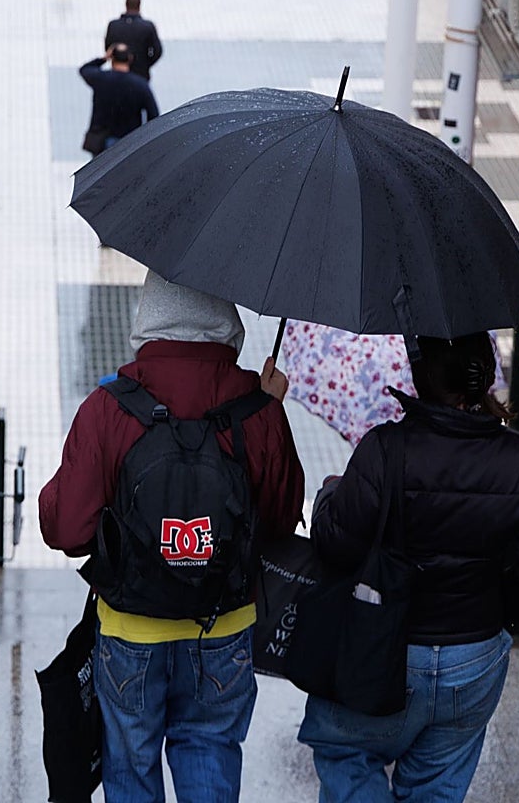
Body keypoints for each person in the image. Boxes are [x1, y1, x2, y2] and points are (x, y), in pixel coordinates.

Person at [40, 272, 305, 802]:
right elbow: (280, 522)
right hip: (224, 624)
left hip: (131, 629)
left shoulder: (109, 406)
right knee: (209, 748)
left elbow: (66, 529)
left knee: (131, 763)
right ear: (225, 321)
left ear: (147, 317)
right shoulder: (257, 408)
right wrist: (270, 409)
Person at [298, 332, 519, 802]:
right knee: (437, 786)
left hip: (383, 648)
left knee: (347, 755)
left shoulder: (383, 449)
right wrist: (494, 611)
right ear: (486, 374)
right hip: (474, 656)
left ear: (420, 376)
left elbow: (336, 543)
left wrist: (329, 495)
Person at [80, 43, 159, 155]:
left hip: (101, 139)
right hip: (129, 139)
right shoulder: (140, 85)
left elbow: (85, 69)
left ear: (112, 58)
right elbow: (153, 114)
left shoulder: (101, 79)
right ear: (130, 58)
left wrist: (104, 58)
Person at [105, 0, 164, 81]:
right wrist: (145, 64)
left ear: (125, 4)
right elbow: (158, 51)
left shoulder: (113, 25)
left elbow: (108, 48)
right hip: (140, 75)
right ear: (139, 5)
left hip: (118, 75)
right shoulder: (148, 26)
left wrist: (117, 61)